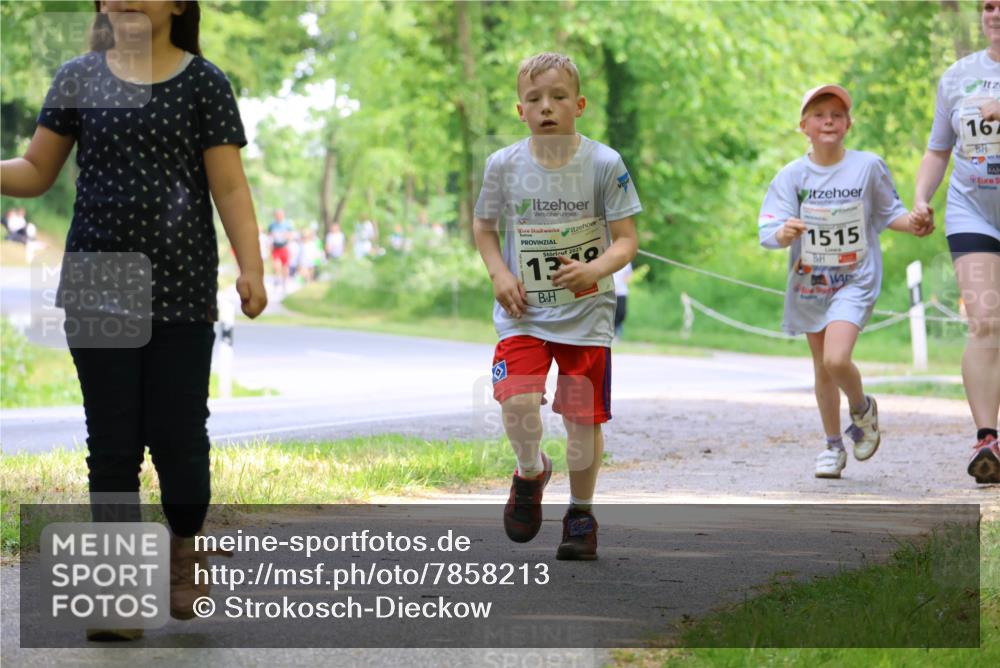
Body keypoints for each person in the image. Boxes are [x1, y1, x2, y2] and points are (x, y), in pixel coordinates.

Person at [0, 0, 267, 638]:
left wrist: (251, 265)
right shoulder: (77, 77)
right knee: (112, 446)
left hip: (181, 286)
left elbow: (229, 187)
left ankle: (184, 544)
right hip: (98, 283)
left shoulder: (204, 82)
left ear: (177, 3)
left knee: (179, 443)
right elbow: (37, 171)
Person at [473, 52, 641, 560]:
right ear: (520, 110)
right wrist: (500, 273)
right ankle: (530, 471)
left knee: (582, 422)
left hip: (585, 317)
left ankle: (581, 514)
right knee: (517, 403)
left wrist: (593, 270)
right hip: (523, 311)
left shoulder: (605, 163)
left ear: (579, 104)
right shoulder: (503, 164)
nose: (547, 106)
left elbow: (626, 241)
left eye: (558, 97)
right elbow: (484, 228)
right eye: (535, 99)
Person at [758, 85, 933, 480]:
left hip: (855, 279)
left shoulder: (867, 167)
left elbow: (892, 214)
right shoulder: (792, 175)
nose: (829, 122)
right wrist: (785, 233)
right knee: (821, 369)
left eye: (837, 115)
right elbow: (768, 225)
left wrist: (917, 223)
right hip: (809, 283)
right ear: (804, 125)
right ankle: (833, 446)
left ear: (848, 124)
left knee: (836, 359)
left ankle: (861, 410)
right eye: (820, 115)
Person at [914, 0, 1000, 485]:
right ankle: (987, 439)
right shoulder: (958, 76)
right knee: (985, 320)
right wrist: (922, 198)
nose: (995, 12)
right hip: (973, 211)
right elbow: (938, 148)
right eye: (988, 4)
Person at [268, 208, 292, 291]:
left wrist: (286, 236)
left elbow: (290, 236)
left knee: (285, 267)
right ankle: (277, 279)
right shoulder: (272, 225)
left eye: (280, 215)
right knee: (276, 265)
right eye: (277, 215)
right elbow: (270, 236)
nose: (279, 216)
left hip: (284, 248)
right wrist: (270, 246)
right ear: (275, 216)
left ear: (283, 215)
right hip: (276, 248)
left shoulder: (287, 224)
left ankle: (285, 283)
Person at [612, 262, 633, 338]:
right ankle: (613, 332)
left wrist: (626, 280)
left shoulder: (627, 262)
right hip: (611, 292)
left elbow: (629, 275)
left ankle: (617, 329)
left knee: (621, 313)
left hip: (622, 292)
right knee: (612, 313)